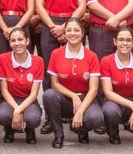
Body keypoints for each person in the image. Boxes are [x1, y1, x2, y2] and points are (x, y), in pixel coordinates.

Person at [33, 0, 87, 102]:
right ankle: (52, 110)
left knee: (76, 67)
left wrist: (65, 27)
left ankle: (76, 107)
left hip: (72, 22)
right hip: (50, 23)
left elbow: (82, 5)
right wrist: (52, 27)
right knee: (50, 68)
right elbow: (38, 5)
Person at [42, 18, 104, 148]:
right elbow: (54, 84)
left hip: (86, 99)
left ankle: (82, 131)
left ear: (82, 33)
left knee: (97, 118)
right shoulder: (56, 53)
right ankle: (59, 135)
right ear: (64, 34)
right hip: (65, 99)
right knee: (48, 95)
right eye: (69, 30)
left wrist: (81, 110)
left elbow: (94, 89)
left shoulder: (91, 56)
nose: (72, 33)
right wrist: (73, 96)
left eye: (76, 30)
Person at [0, 26, 43, 144]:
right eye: (13, 40)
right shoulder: (3, 58)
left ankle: (30, 130)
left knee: (33, 118)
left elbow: (34, 94)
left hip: (29, 99)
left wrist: (18, 111)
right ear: (10, 43)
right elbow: (4, 90)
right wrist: (16, 109)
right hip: (10, 99)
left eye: (20, 39)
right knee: (1, 115)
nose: (17, 43)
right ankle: (9, 130)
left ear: (27, 41)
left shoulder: (38, 61)